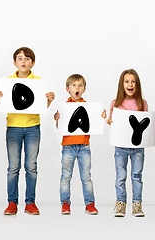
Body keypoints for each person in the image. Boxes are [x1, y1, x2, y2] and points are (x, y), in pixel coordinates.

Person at [0, 47, 55, 215]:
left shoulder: (38, 81)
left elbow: (41, 107)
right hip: (13, 127)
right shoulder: (7, 82)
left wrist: (48, 101)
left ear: (32, 63)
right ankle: (12, 203)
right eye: (20, 58)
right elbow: (5, 106)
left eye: (27, 59)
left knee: (31, 166)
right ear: (14, 62)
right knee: (13, 167)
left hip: (32, 127)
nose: (23, 61)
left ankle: (30, 203)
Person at [106, 69, 155, 217]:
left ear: (137, 84)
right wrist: (109, 121)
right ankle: (120, 204)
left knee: (137, 176)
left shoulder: (142, 103)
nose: (130, 84)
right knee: (120, 176)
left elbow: (146, 124)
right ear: (122, 84)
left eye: (133, 81)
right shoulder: (116, 103)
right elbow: (115, 125)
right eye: (127, 81)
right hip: (121, 147)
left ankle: (137, 204)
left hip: (137, 148)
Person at [53, 74, 105, 215]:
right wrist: (57, 119)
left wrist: (101, 116)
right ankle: (65, 203)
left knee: (86, 177)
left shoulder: (89, 107)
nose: (77, 88)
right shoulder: (64, 107)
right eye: (74, 85)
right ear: (67, 89)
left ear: (84, 89)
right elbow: (61, 127)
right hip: (68, 146)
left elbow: (94, 123)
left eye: (80, 85)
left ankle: (90, 204)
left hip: (84, 146)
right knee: (65, 176)